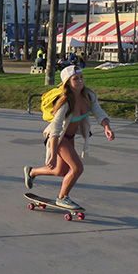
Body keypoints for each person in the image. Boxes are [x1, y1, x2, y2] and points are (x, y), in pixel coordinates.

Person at [23, 65, 115, 210]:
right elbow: (55, 129)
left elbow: (99, 112)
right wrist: (53, 155)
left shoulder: (89, 96)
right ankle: (62, 197)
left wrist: (107, 127)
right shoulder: (65, 102)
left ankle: (32, 172)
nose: (80, 81)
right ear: (67, 82)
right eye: (75, 79)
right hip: (58, 138)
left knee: (60, 171)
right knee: (77, 168)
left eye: (81, 77)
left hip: (70, 137)